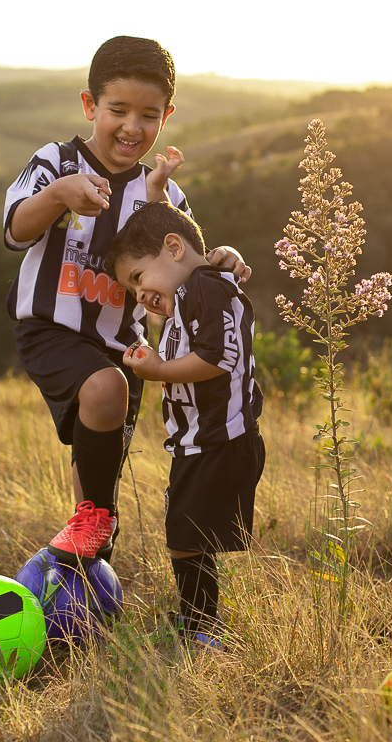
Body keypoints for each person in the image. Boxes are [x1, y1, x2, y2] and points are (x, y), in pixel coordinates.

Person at [2, 36, 249, 564]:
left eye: (149, 114)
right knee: (103, 389)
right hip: (52, 326)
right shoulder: (57, 161)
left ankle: (88, 573)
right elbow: (14, 230)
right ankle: (96, 525)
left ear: (167, 116)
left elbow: (186, 264)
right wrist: (57, 196)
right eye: (118, 110)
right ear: (91, 105)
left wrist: (219, 258)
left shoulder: (164, 194)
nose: (132, 126)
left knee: (98, 469)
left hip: (123, 341)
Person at [105, 201, 264, 649]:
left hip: (218, 439)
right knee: (188, 535)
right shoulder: (193, 289)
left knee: (184, 538)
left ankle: (203, 627)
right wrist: (157, 186)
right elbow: (168, 227)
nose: (139, 294)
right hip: (202, 441)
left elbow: (216, 358)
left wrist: (156, 371)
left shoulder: (203, 289)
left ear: (173, 249)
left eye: (138, 278)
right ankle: (198, 619)